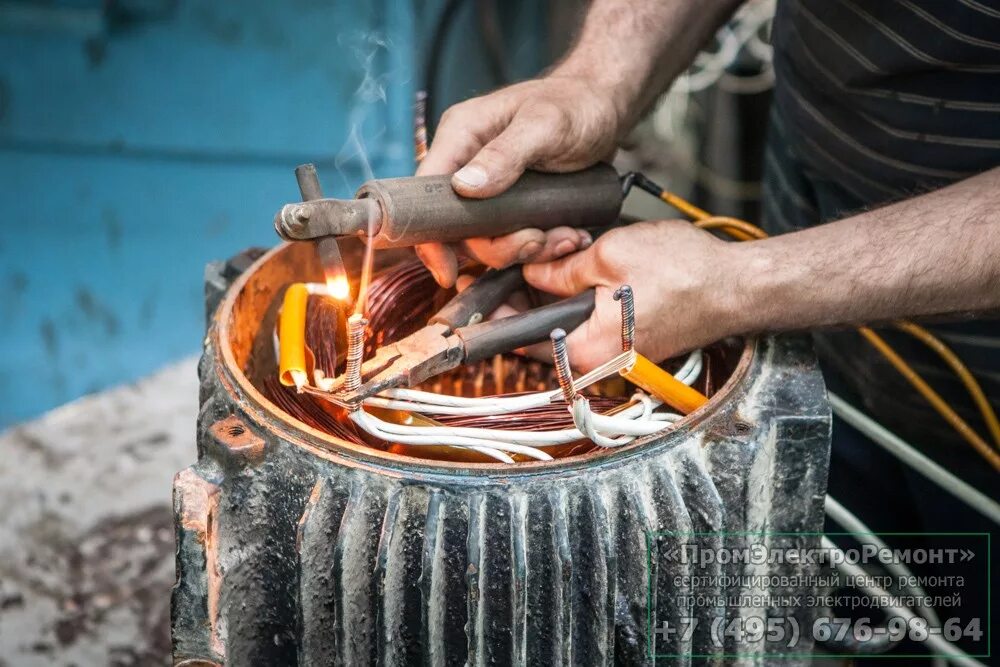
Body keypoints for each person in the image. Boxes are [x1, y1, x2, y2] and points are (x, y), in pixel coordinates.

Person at [415, 0, 998, 651]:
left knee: (964, 620)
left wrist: (743, 284)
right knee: (845, 613)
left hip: (982, 405)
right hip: (817, 324)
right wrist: (597, 82)